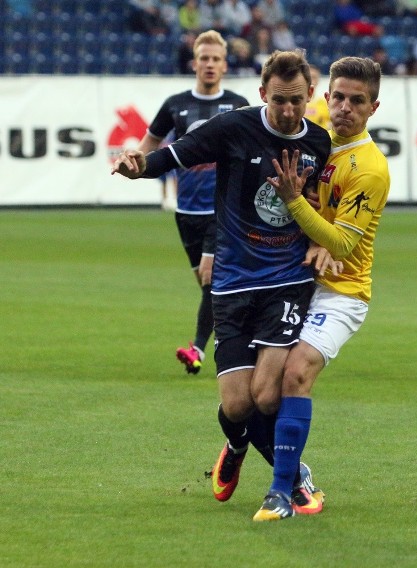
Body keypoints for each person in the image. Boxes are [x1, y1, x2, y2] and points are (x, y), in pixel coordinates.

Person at [111, 49, 333, 505]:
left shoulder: (320, 141)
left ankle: (291, 477)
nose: (289, 111)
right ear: (262, 93)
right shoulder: (235, 127)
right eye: (279, 101)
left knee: (267, 395)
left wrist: (321, 240)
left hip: (286, 281)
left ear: (310, 94)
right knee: (237, 405)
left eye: (297, 101)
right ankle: (235, 447)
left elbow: (324, 201)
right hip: (233, 280)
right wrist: (141, 165)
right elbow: (176, 153)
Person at [251, 56, 390, 521]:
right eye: (339, 97)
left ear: (373, 107)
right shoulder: (313, 138)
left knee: (296, 375)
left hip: (343, 292)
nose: (345, 107)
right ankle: (237, 444)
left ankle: (280, 492)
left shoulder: (369, 167)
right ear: (324, 97)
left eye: (357, 100)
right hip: (295, 282)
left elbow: (344, 242)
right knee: (258, 391)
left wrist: (296, 202)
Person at [134, 30, 249, 374]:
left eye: (216, 59)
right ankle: (235, 336)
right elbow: (150, 144)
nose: (210, 64)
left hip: (222, 210)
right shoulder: (175, 104)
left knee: (212, 277)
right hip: (186, 212)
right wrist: (133, 163)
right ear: (194, 63)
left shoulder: (239, 105)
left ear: (225, 65)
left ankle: (198, 349)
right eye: (204, 58)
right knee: (208, 283)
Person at [305, 64, 331, 130]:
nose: (311, 80)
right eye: (308, 77)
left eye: (313, 77)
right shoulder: (294, 103)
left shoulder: (326, 104)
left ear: (318, 80)